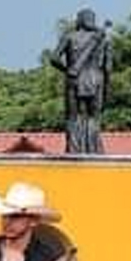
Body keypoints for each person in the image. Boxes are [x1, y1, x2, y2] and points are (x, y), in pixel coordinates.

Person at [50, 8, 112, 155]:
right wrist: (107, 89)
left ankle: (73, 150)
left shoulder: (69, 37)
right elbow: (108, 67)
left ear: (79, 21)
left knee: (72, 117)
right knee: (94, 118)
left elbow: (54, 58)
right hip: (96, 79)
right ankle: (94, 149)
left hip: (73, 79)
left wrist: (67, 70)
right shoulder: (104, 39)